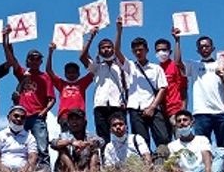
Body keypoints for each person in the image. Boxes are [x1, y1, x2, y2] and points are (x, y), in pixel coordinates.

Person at [175, 35, 224, 171]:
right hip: (201, 113)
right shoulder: (194, 65)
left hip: (220, 113)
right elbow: (178, 63)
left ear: (213, 48)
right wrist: (177, 40)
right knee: (202, 147)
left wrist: (222, 78)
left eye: (207, 46)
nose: (204, 49)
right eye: (201, 47)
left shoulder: (223, 65)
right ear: (197, 50)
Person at [4, 27, 55, 170]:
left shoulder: (45, 77)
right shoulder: (22, 73)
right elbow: (11, 57)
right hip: (22, 116)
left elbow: (52, 98)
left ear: (40, 61)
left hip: (37, 117)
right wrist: (6, 40)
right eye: (32, 58)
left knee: (42, 147)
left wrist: (44, 111)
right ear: (27, 61)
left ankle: (44, 170)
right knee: (20, 147)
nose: (35, 61)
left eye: (38, 58)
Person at [114, 17, 169, 150]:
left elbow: (162, 88)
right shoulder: (130, 66)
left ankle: (164, 166)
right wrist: (119, 31)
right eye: (135, 50)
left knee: (163, 138)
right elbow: (117, 52)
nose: (138, 52)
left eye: (141, 49)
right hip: (134, 109)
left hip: (152, 107)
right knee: (141, 142)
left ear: (147, 50)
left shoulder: (156, 68)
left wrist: (152, 107)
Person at [79, 27, 126, 144]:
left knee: (121, 134)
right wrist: (91, 37)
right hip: (100, 105)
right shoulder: (97, 66)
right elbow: (82, 57)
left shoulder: (121, 66)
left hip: (117, 105)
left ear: (114, 49)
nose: (106, 49)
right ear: (99, 51)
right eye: (103, 48)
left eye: (109, 47)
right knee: (102, 136)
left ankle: (124, 161)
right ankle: (105, 160)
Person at [45, 42, 93, 132]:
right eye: (69, 72)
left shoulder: (82, 83)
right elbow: (48, 70)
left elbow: (93, 70)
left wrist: (84, 50)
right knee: (67, 141)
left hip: (80, 117)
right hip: (65, 117)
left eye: (74, 72)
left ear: (79, 73)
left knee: (80, 142)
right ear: (65, 74)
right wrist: (50, 52)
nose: (71, 74)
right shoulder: (61, 84)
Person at [158, 29, 188, 135]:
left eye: (164, 50)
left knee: (181, 141)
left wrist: (177, 41)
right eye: (158, 50)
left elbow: (183, 88)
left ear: (170, 52)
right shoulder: (156, 69)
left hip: (176, 110)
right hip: (161, 113)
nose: (161, 53)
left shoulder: (175, 66)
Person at [0, 106, 38, 172]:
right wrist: (2, 168)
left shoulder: (30, 137)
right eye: (16, 116)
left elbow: (33, 157)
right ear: (8, 117)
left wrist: (25, 169)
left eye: (22, 117)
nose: (19, 119)